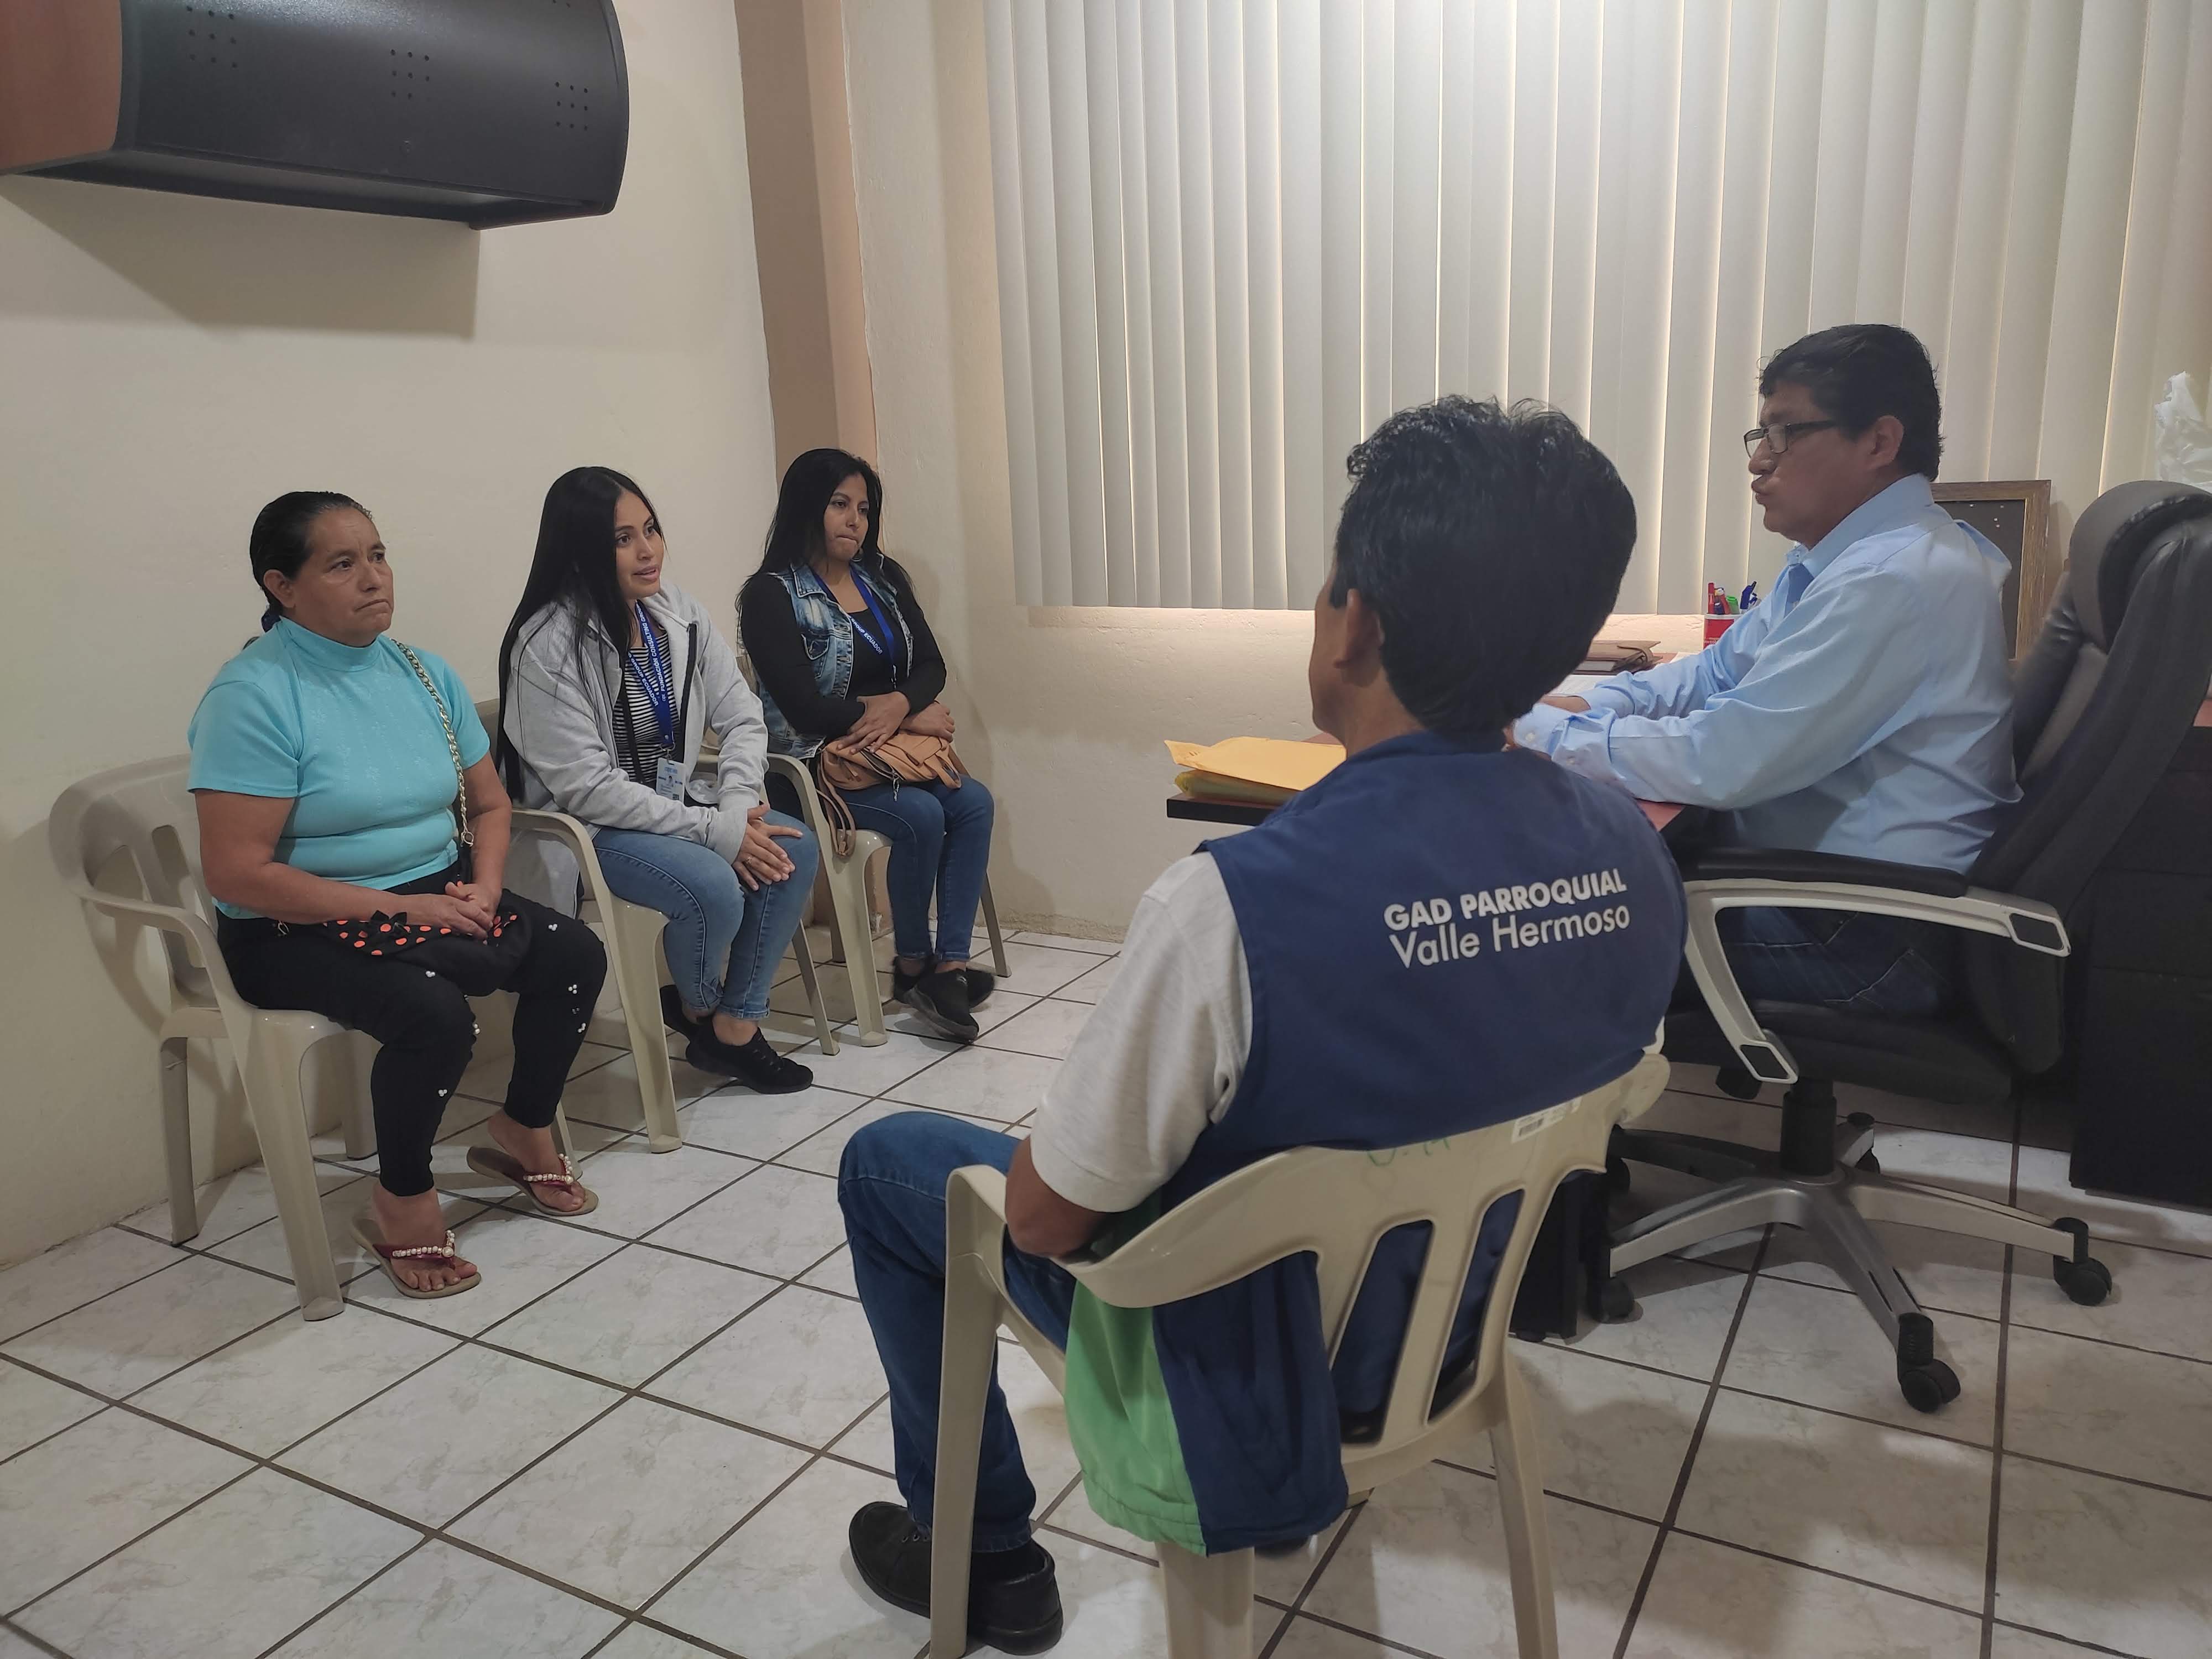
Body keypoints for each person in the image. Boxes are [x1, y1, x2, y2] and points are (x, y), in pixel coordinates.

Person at [832, 399, 1688, 1652]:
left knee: (889, 1163)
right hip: (1448, 1333)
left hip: (1235, 1379)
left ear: (1355, 622)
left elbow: (1048, 1220)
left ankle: (986, 1555)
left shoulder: (1233, 905)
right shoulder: (1634, 859)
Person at [1514, 322, 2020, 1015]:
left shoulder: (1894, 580)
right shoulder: (1844, 561)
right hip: (1817, 894)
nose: (1758, 461)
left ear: (1878, 442)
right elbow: (1714, 674)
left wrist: (1533, 733)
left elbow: (1723, 760)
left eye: (1785, 433)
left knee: (1525, 934)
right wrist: (1587, 707)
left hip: (1862, 936)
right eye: (1761, 435)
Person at [190, 492, 608, 1300]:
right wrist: (408, 911)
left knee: (573, 954)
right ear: (282, 586)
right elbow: (238, 876)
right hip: (292, 927)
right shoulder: (254, 695)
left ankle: (523, 1128)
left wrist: (485, 886)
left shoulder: (422, 672)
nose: (373, 578)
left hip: (433, 891)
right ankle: (403, 1199)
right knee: (434, 1015)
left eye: (378, 556)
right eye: (342, 564)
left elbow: (489, 806)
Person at [498, 467, 819, 1093]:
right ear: (579, 549)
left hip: (675, 805)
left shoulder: (676, 612)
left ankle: (734, 1027)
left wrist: (734, 809)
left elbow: (741, 716)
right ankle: (699, 1008)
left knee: (794, 849)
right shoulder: (546, 644)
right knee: (712, 886)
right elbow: (588, 789)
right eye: (623, 539)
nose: (648, 551)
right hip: (590, 827)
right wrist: (715, 832)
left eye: (651, 530)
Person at [740, 448, 996, 1041]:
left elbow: (931, 666)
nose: (854, 520)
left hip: (889, 759)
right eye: (839, 505)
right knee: (922, 814)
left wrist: (901, 706)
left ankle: (949, 968)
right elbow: (804, 709)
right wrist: (895, 712)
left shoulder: (882, 578)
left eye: (863, 509)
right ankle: (912, 965)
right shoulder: (770, 595)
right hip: (815, 770)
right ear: (807, 507)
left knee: (974, 803)